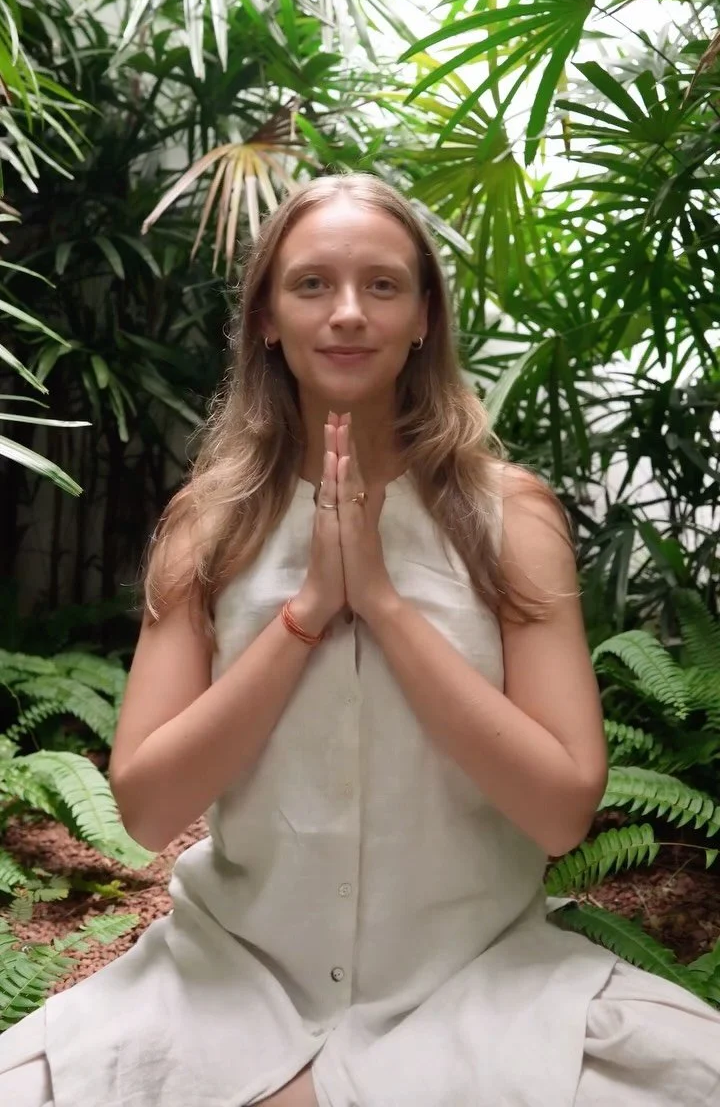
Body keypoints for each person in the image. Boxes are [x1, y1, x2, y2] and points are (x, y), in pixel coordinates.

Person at [1, 172, 718, 1107]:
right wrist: (304, 616)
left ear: (423, 318)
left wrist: (382, 603)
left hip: (475, 981)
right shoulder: (206, 527)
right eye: (312, 284)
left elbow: (558, 813)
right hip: (230, 978)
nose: (347, 312)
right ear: (267, 319)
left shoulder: (510, 518)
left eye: (382, 284)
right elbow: (145, 808)